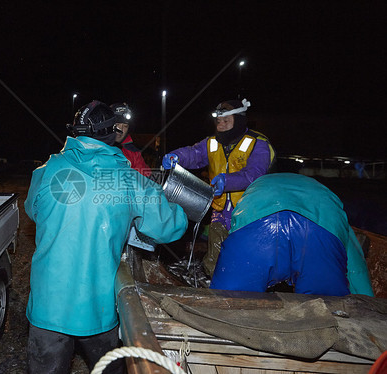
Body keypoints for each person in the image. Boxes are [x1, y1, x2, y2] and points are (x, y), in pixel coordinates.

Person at [25, 100, 188, 373]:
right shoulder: (129, 179)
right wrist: (178, 208)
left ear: (75, 132)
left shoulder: (47, 170)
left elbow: (33, 211)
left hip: (47, 307)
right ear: (112, 134)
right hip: (98, 308)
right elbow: (169, 227)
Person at [162, 98, 275, 280]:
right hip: (220, 210)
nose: (221, 125)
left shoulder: (257, 143)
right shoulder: (212, 142)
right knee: (214, 258)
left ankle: (246, 292)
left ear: (238, 119)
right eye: (218, 121)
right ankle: (218, 291)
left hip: (250, 211)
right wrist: (177, 156)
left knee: (246, 257)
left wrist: (228, 181)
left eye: (226, 121)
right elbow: (194, 153)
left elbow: (255, 173)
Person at [210, 173, 374, 297]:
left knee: (228, 302)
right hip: (319, 229)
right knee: (327, 308)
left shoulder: (257, 187)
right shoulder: (331, 206)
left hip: (258, 223)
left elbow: (236, 228)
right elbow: (356, 270)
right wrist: (367, 303)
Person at [110, 102, 152, 177]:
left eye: (125, 126)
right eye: (117, 124)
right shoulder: (95, 145)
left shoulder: (133, 153)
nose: (121, 129)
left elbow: (146, 178)